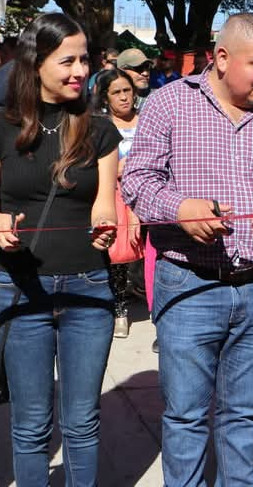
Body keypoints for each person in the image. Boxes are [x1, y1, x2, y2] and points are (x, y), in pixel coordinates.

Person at [121, 12, 253, 487]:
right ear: (222, 57)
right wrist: (179, 208)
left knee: (244, 417)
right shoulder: (169, 103)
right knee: (186, 418)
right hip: (188, 283)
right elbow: (137, 181)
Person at [0, 13, 120, 487]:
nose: (80, 70)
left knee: (81, 422)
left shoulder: (100, 132)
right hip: (21, 290)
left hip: (88, 289)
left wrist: (105, 227)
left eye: (85, 59)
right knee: (30, 425)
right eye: (68, 60)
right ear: (36, 64)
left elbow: (105, 206)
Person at [91, 68, 144, 339]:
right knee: (118, 257)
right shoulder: (100, 126)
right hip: (116, 197)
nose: (124, 97)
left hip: (148, 196)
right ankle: (120, 310)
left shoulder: (147, 120)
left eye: (127, 90)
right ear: (105, 97)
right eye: (116, 92)